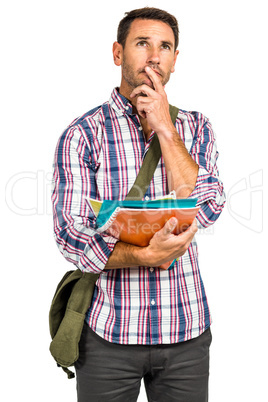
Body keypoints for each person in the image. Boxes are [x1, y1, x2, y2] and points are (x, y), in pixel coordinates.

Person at [51, 7, 225, 402]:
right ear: (118, 53)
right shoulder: (83, 135)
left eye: (165, 47)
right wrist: (142, 256)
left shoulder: (196, 127)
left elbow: (207, 209)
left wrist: (165, 126)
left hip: (186, 331)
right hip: (109, 335)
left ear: (175, 61)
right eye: (142, 43)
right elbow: (69, 236)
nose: (154, 56)